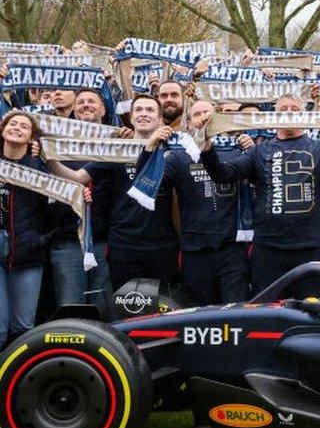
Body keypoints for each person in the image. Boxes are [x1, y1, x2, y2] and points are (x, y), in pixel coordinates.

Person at [198, 94, 320, 296]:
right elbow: (223, 175)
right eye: (284, 108)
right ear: (275, 115)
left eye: (295, 109)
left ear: (305, 115)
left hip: (309, 248)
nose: (289, 113)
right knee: (267, 313)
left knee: (309, 312)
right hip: (268, 250)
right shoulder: (259, 151)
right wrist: (206, 146)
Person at [45, 94, 181, 289]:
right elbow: (77, 178)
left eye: (150, 110)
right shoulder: (115, 150)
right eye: (138, 110)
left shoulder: (174, 152)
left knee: (163, 308)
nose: (143, 114)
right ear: (131, 118)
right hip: (123, 245)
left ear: (159, 118)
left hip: (162, 246)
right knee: (124, 310)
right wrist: (47, 158)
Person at [149, 101, 249, 306]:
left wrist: (252, 147)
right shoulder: (177, 157)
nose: (203, 118)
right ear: (188, 124)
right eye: (197, 114)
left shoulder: (238, 151)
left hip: (232, 249)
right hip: (195, 251)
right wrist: (149, 149)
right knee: (200, 314)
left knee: (236, 312)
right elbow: (152, 186)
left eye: (208, 113)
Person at [47, 89, 120, 309]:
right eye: (80, 102)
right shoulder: (57, 144)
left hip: (104, 242)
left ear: (104, 109)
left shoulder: (117, 143)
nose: (85, 105)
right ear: (74, 110)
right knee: (70, 309)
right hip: (67, 241)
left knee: (103, 308)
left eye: (91, 101)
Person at [0, 112, 50, 344]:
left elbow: (56, 209)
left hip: (27, 253)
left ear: (32, 138)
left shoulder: (40, 169)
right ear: (3, 130)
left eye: (24, 126)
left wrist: (41, 239)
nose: (17, 128)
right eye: (13, 124)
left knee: (23, 329)